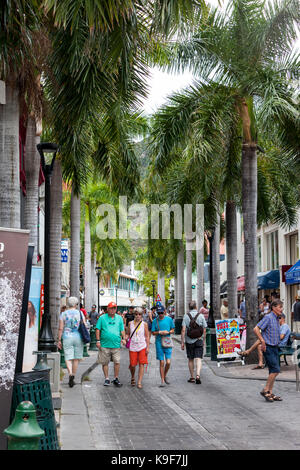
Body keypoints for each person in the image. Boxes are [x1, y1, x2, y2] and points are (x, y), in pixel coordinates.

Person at [254, 299, 283, 402]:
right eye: (280, 307)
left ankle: (270, 392)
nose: (281, 309)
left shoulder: (276, 318)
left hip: (275, 346)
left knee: (273, 370)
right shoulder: (268, 317)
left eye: (281, 307)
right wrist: (262, 341)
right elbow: (256, 329)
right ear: (274, 307)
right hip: (269, 347)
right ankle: (265, 390)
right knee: (276, 369)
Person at [95, 301, 126, 387]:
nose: (113, 310)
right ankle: (107, 378)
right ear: (107, 309)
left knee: (117, 362)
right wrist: (98, 341)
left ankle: (116, 378)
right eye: (111, 308)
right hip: (104, 344)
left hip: (116, 344)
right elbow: (98, 329)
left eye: (114, 308)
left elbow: (122, 329)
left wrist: (123, 338)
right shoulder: (102, 318)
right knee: (105, 362)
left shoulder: (119, 318)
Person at [58, 296, 86, 387]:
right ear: (76, 304)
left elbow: (60, 328)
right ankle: (73, 375)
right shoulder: (80, 313)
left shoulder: (63, 314)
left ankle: (69, 373)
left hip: (67, 337)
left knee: (68, 356)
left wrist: (59, 340)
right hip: (78, 337)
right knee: (76, 358)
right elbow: (84, 325)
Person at [181, 301, 207, 384]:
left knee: (191, 359)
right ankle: (198, 375)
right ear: (196, 307)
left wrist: (182, 342)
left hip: (189, 341)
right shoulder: (201, 316)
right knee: (198, 358)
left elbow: (183, 330)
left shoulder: (186, 316)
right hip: (199, 339)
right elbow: (204, 329)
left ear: (189, 307)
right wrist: (203, 340)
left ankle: (192, 377)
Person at [126, 307, 150, 389]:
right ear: (134, 315)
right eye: (136, 314)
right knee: (132, 365)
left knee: (141, 364)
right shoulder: (130, 324)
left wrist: (147, 347)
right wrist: (125, 339)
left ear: (142, 315)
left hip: (142, 346)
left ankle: (139, 381)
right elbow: (128, 334)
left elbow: (147, 337)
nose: (138, 316)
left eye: (139, 314)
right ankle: (133, 376)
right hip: (133, 346)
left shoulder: (144, 324)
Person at [151, 305, 175, 387]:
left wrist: (168, 332)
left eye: (162, 312)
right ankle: (162, 380)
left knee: (168, 362)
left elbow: (173, 329)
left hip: (167, 342)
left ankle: (164, 375)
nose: (160, 314)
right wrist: (160, 332)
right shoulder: (155, 321)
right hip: (159, 342)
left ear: (164, 311)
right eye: (159, 313)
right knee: (161, 361)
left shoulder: (169, 319)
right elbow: (153, 332)